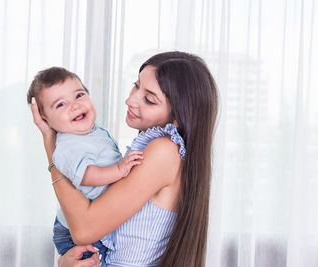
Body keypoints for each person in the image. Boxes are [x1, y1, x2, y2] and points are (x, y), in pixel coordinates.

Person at [31, 51, 218, 267]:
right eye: (136, 85)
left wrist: (51, 147)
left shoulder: (164, 151)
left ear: (178, 115)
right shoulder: (156, 147)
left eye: (149, 99)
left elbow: (84, 230)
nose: (130, 99)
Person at [26, 67, 143, 262]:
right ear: (45, 119)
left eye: (79, 95)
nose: (74, 106)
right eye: (61, 104)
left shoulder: (94, 132)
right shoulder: (66, 146)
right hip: (73, 233)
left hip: (90, 221)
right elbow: (87, 175)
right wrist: (119, 170)